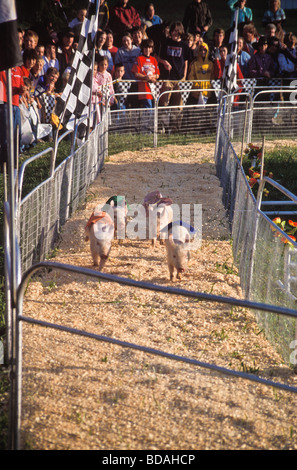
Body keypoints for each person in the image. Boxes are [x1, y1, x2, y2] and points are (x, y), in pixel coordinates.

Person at [157, 21, 191, 132]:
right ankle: (162, 127)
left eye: (177, 31)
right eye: (173, 30)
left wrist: (184, 77)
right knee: (164, 103)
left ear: (181, 31)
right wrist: (164, 62)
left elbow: (186, 61)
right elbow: (157, 57)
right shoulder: (166, 42)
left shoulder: (184, 45)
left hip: (180, 78)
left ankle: (175, 128)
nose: (175, 33)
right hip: (167, 78)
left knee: (178, 105)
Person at [0, 66, 25, 166]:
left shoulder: (19, 69)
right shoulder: (3, 68)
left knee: (17, 133)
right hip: (5, 103)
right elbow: (5, 85)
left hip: (16, 105)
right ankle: (5, 163)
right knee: (6, 136)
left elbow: (21, 85)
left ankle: (14, 160)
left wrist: (23, 89)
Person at [132, 38, 160, 108]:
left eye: (149, 47)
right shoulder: (139, 59)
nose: (147, 50)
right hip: (144, 89)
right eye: (146, 47)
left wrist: (152, 77)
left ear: (152, 49)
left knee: (155, 108)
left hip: (154, 89)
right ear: (143, 48)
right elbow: (136, 73)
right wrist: (145, 77)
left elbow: (158, 74)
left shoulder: (154, 59)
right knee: (148, 108)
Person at [56, 27, 76, 92]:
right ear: (63, 37)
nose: (69, 39)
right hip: (59, 85)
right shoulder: (57, 51)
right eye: (67, 36)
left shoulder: (75, 52)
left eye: (72, 37)